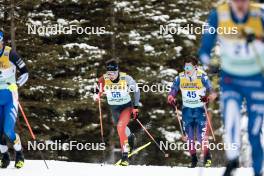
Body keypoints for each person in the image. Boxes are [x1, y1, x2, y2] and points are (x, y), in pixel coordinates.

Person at [199, 0, 264, 175]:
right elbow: (204, 50)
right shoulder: (219, 14)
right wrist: (211, 63)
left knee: (254, 131)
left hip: (256, 80)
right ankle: (233, 160)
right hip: (231, 80)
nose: (240, 3)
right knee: (231, 119)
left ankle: (258, 171)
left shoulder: (260, 13)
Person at [167, 56, 217, 168]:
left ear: (195, 67)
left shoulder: (201, 76)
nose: (187, 69)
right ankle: (193, 160)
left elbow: (212, 92)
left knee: (200, 136)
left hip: (200, 110)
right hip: (187, 110)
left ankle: (207, 157)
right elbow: (174, 89)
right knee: (189, 137)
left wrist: (208, 98)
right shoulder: (180, 77)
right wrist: (171, 97)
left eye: (189, 66)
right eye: (185, 66)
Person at [93, 59, 140, 166]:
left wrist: (136, 107)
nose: (111, 76)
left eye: (113, 73)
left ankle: (125, 156)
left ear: (117, 71)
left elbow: (136, 90)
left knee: (120, 127)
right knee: (122, 128)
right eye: (109, 73)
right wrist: (96, 95)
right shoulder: (103, 79)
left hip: (126, 107)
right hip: (114, 109)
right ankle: (130, 137)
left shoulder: (126, 78)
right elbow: (97, 90)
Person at [0, 31, 29, 168]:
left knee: (8, 130)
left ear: (2, 42)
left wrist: (16, 84)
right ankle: (5, 156)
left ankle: (19, 153)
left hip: (10, 97)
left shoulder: (10, 53)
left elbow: (25, 72)